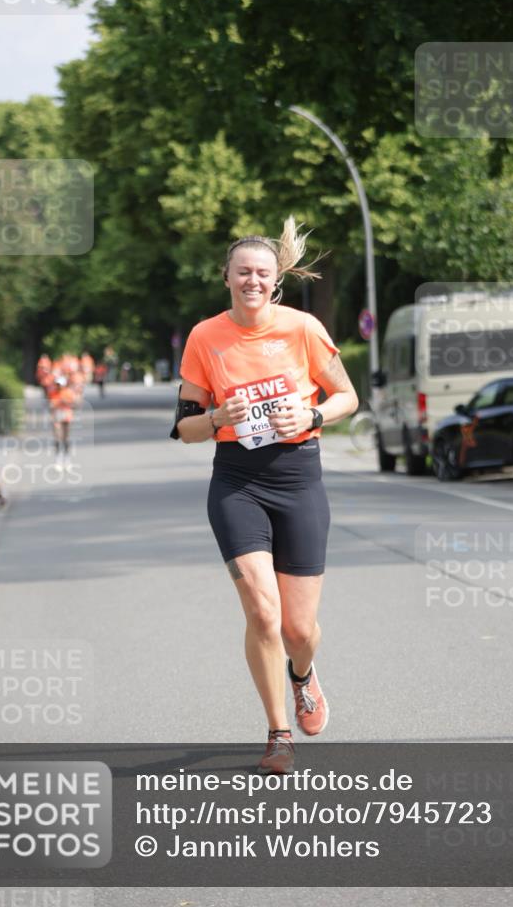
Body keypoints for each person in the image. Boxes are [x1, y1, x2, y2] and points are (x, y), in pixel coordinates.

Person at [171, 217, 358, 773]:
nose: (252, 281)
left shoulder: (302, 328)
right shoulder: (206, 337)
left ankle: (303, 676)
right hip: (237, 481)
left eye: (262, 273)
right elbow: (183, 426)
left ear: (275, 281)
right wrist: (214, 416)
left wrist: (314, 412)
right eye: (243, 272)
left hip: (299, 476)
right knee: (261, 611)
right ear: (226, 277)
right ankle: (279, 733)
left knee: (298, 629)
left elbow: (348, 395)